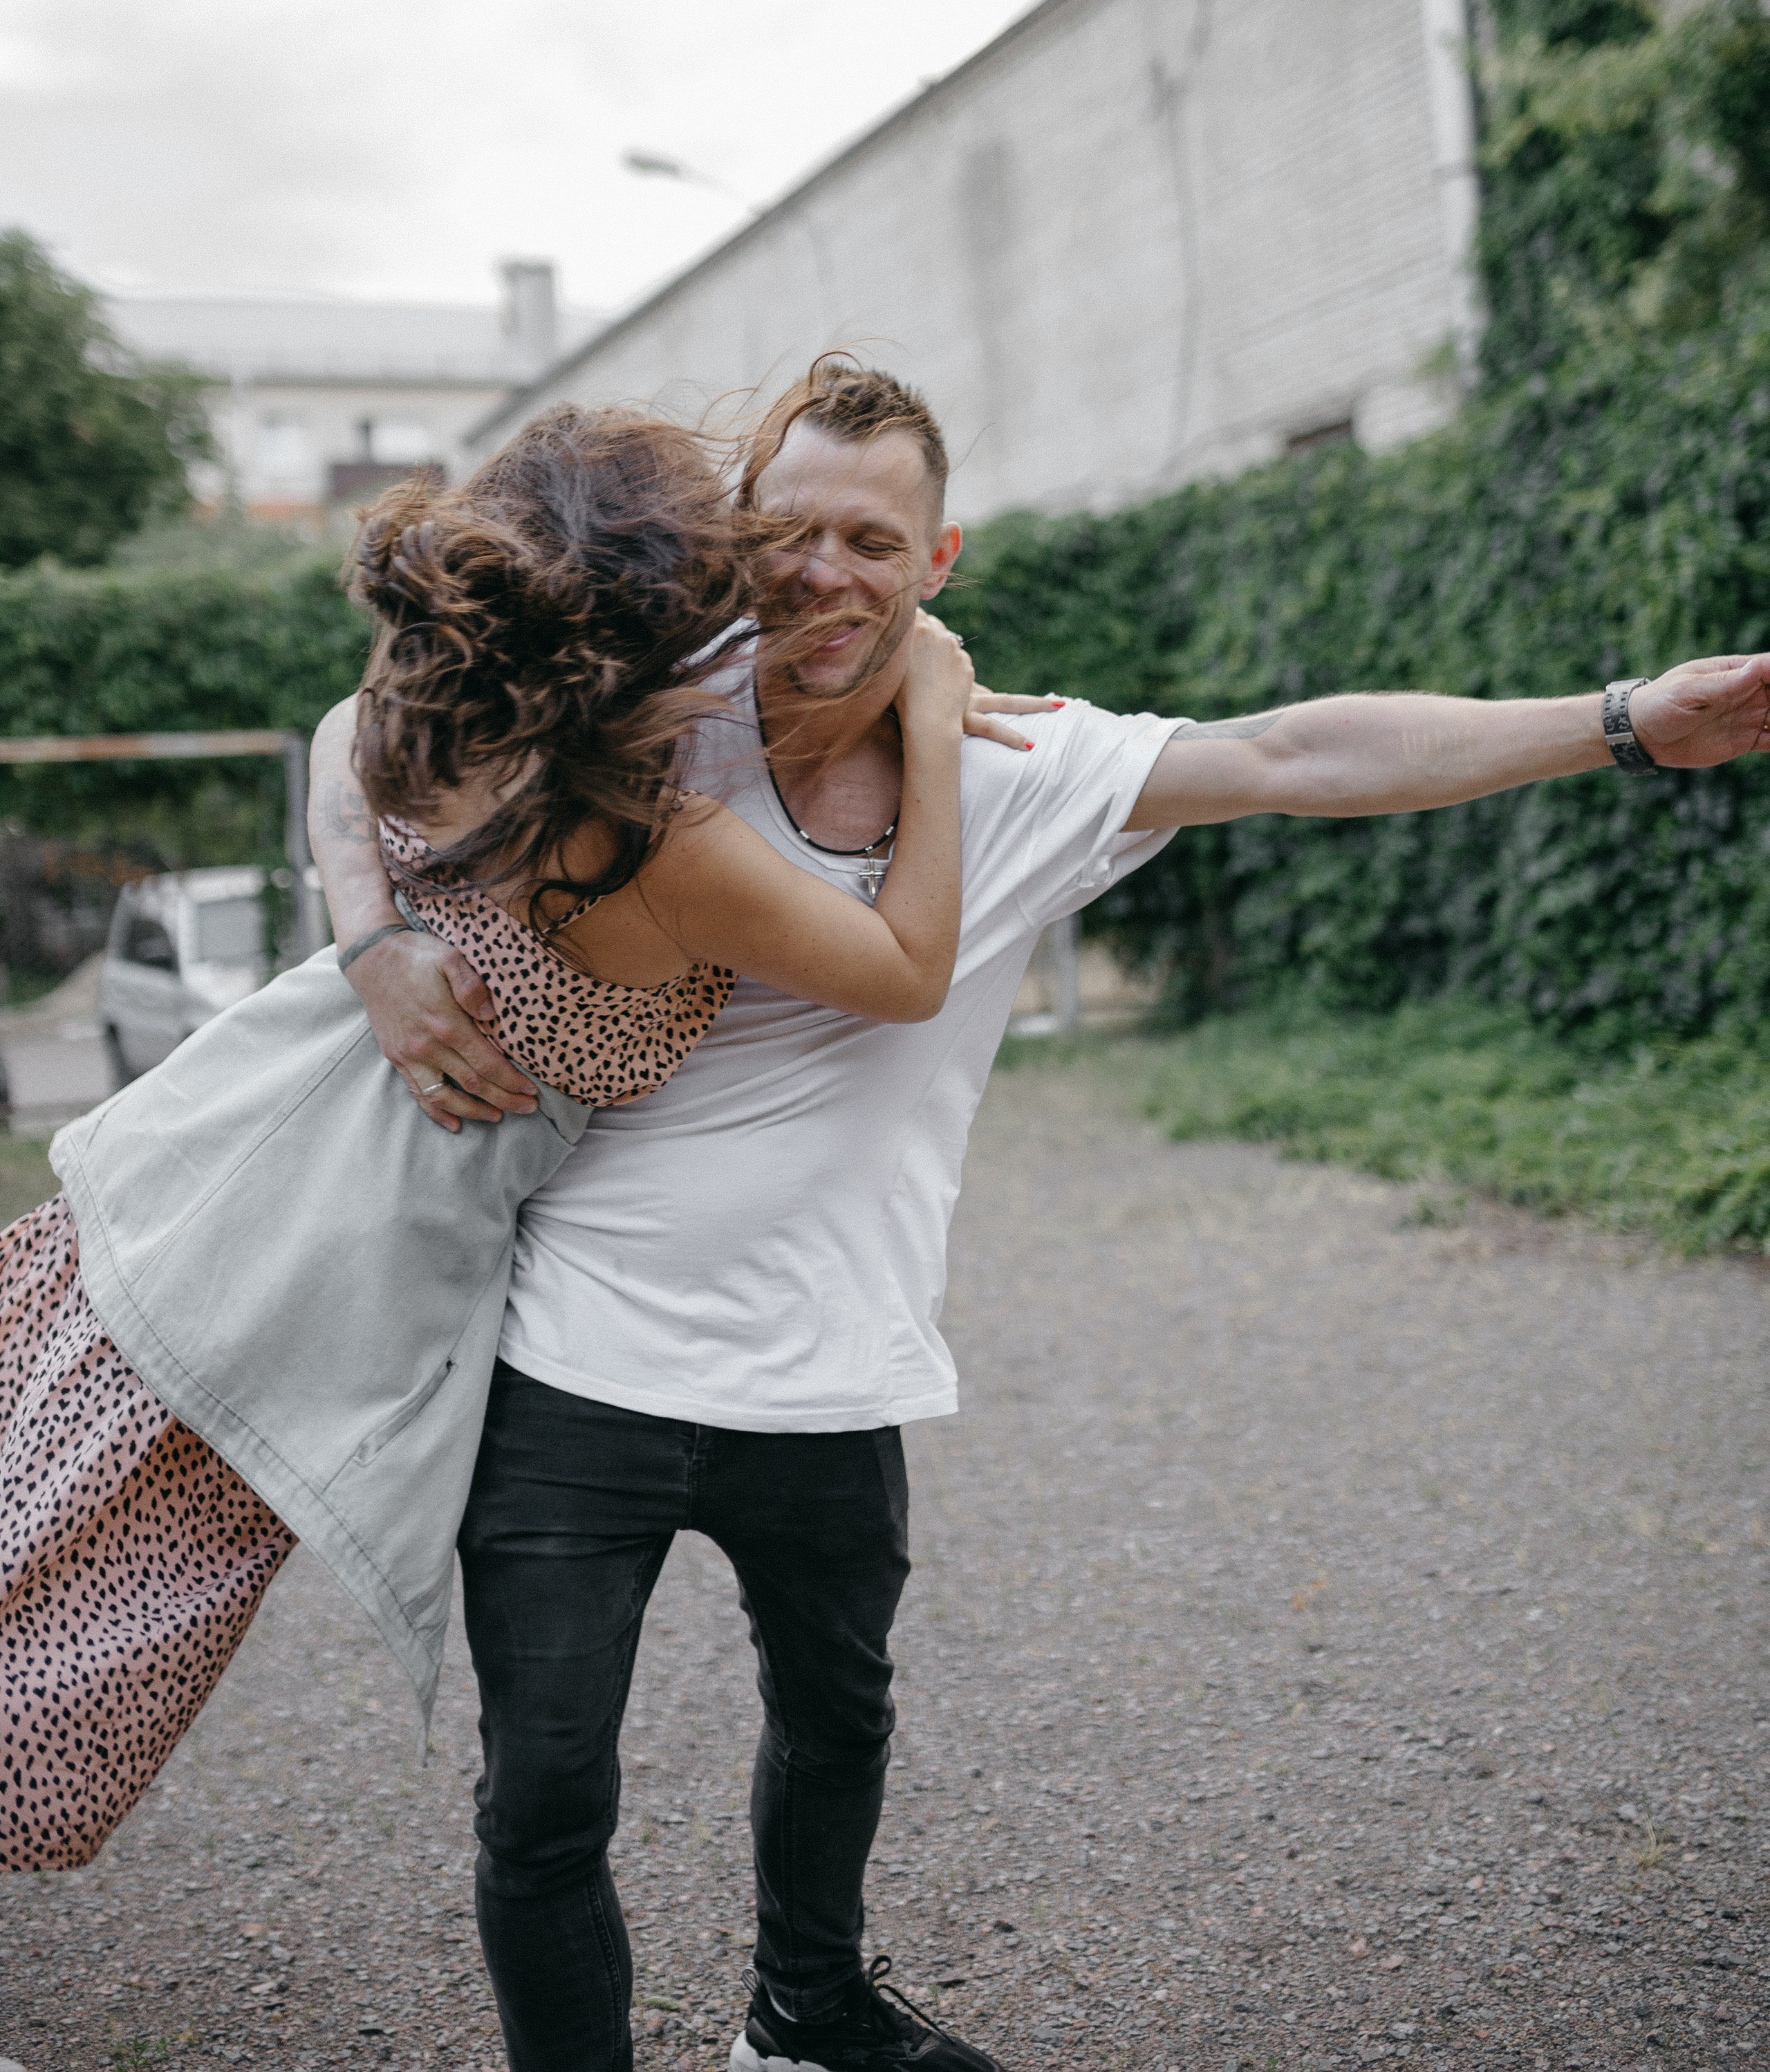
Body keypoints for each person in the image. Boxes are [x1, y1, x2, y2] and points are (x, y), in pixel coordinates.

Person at [313, 357, 1770, 2072]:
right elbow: (362, 726)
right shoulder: (645, 724)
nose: (820, 571)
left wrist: (1617, 719)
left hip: (834, 1364)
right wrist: (374, 941)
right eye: (783, 531)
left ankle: (806, 2015)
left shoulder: (1012, 767)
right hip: (573, 1366)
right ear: (728, 546)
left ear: (936, 563)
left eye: (870, 537)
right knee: (545, 1792)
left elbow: (1300, 751)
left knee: (838, 1719)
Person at [2, 400, 985, 1874]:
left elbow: (344, 722)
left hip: (214, 1197)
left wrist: (371, 936)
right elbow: (907, 972)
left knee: (48, 1602)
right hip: (267, 1254)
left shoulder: (461, 730)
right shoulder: (642, 833)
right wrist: (935, 727)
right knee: (58, 1648)